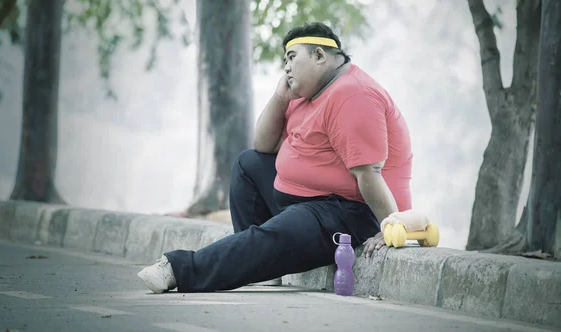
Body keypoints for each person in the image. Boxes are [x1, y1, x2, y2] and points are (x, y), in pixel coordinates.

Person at [137, 22, 413, 294]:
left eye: (292, 58)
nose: (287, 67)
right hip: (309, 201)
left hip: (348, 212)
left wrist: (389, 227)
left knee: (268, 237)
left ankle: (180, 268)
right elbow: (263, 145)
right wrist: (281, 96)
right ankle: (262, 269)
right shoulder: (306, 93)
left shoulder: (353, 94)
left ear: (319, 56)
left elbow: (369, 173)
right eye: (285, 60)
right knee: (249, 164)